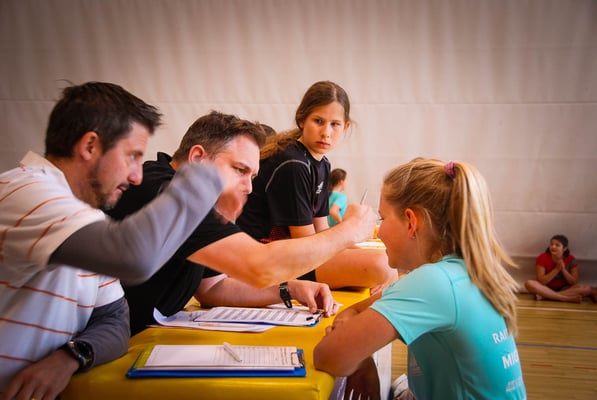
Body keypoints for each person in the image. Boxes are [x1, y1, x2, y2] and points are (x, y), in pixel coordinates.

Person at [0, 81, 247, 398]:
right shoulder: (26, 191)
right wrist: (207, 177)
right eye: (132, 156)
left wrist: (70, 356)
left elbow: (116, 322)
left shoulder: (88, 219)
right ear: (90, 146)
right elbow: (135, 260)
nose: (136, 176)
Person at [108, 111, 375, 334]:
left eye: (253, 176)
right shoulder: (168, 192)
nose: (248, 188)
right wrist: (349, 230)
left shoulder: (189, 193)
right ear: (198, 158)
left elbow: (213, 288)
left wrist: (289, 288)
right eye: (240, 170)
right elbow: (258, 265)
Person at [314, 158, 527, 400]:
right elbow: (353, 312)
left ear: (411, 222)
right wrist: (358, 351)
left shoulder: (434, 282)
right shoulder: (458, 272)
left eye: (383, 219)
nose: (379, 231)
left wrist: (361, 362)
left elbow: (327, 356)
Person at [237, 81, 396, 289]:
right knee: (382, 266)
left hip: (295, 252)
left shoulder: (322, 164)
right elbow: (306, 242)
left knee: (383, 262)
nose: (326, 132)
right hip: (264, 258)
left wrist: (354, 248)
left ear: (346, 127)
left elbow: (321, 230)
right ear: (301, 119)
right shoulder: (293, 164)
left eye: (335, 124)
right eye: (318, 121)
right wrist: (350, 229)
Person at [524, 234, 593, 303]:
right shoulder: (542, 257)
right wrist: (556, 269)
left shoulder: (571, 259)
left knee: (587, 289)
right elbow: (542, 281)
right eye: (551, 244)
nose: (553, 247)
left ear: (564, 248)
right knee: (529, 283)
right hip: (546, 288)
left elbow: (574, 282)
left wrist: (563, 269)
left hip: (565, 289)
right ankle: (565, 298)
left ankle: (545, 296)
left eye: (557, 245)